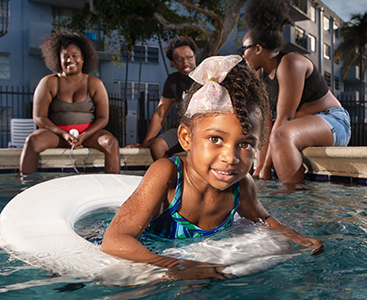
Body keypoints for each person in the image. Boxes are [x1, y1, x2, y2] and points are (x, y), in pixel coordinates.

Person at [102, 55, 324, 281]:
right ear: (186, 138)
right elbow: (115, 239)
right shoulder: (167, 175)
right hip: (158, 257)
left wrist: (296, 237)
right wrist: (175, 266)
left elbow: (263, 219)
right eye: (216, 139)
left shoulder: (242, 186)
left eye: (245, 144)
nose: (231, 157)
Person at [242, 0, 351, 184]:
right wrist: (259, 171)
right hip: (302, 123)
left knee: (281, 134)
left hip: (333, 121)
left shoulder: (290, 64)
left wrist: (267, 167)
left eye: (244, 48)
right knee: (269, 129)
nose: (243, 55)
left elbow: (285, 120)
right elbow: (265, 124)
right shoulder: (260, 76)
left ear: (258, 48)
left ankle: (295, 205)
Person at [19, 30, 120, 175]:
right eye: (65, 56)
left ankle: (113, 187)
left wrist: (84, 136)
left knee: (111, 143)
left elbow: (103, 118)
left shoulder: (94, 83)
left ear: (83, 58)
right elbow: (39, 117)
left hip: (89, 134)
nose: (70, 60)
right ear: (58, 59)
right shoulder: (49, 82)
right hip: (57, 135)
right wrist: (63, 134)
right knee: (32, 141)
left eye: (74, 56)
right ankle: (25, 186)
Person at [125, 36, 197, 161]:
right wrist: (145, 143)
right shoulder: (172, 81)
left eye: (189, 57)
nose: (186, 63)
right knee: (158, 146)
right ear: (173, 63)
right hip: (186, 131)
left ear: (194, 57)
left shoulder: (207, 77)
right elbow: (160, 114)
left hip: (206, 130)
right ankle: (172, 177)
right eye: (179, 59)